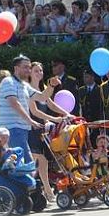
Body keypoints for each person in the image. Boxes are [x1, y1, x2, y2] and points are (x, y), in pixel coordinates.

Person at [0, 55, 60, 164]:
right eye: (25, 67)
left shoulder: (24, 85)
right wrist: (30, 121)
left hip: (22, 130)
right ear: (16, 68)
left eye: (29, 67)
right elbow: (14, 103)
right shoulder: (8, 82)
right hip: (12, 129)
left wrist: (51, 85)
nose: (28, 70)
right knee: (26, 164)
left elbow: (42, 97)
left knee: (19, 165)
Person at [28, 61, 70, 201]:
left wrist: (66, 114)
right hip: (31, 127)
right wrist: (55, 119)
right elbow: (35, 112)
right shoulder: (27, 89)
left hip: (42, 129)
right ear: (30, 73)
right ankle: (28, 188)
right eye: (36, 71)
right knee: (33, 160)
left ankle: (47, 190)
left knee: (44, 161)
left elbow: (52, 105)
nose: (39, 73)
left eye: (41, 70)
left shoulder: (43, 88)